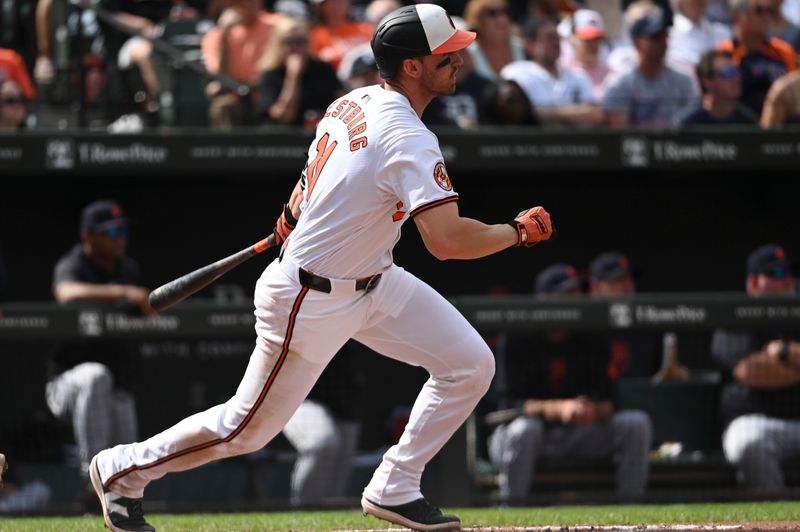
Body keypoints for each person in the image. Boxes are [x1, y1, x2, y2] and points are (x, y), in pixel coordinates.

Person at [88, 5, 554, 532]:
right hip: (311, 297)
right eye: (445, 53)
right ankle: (122, 469)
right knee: (245, 430)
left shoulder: (353, 100)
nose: (459, 58)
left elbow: (310, 182)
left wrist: (291, 216)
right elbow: (446, 242)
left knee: (471, 364)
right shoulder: (407, 136)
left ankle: (395, 485)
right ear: (412, 67)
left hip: (374, 280)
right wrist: (515, 233)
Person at [488, 263, 652, 502]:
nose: (574, 300)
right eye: (566, 295)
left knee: (636, 423)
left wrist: (591, 411)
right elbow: (508, 405)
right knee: (525, 429)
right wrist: (558, 408)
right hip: (529, 438)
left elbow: (610, 401)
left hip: (579, 433)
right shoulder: (517, 337)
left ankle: (633, 511)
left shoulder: (592, 337)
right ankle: (511, 510)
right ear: (544, 300)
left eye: (577, 294)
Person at [47, 200, 152, 503]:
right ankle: (90, 479)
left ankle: (115, 503)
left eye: (123, 230)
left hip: (116, 388)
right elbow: (66, 294)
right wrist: (121, 292)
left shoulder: (127, 268)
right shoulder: (76, 263)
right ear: (89, 236)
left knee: (127, 477)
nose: (120, 237)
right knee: (96, 376)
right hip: (65, 387)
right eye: (111, 231)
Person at [710, 244, 800, 491]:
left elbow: (764, 368)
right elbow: (751, 372)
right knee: (749, 442)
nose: (786, 281)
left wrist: (782, 352)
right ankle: (776, 522)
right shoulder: (735, 317)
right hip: (755, 421)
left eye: (789, 274)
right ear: (753, 283)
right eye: (776, 275)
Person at [282, 340, 364, 505]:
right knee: (322, 442)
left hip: (343, 401)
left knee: (338, 473)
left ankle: (328, 515)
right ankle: (303, 513)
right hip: (299, 398)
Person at [500, 17, 603, 127]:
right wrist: (575, 112)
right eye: (549, 38)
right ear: (529, 44)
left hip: (575, 142)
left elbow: (595, 114)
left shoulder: (578, 75)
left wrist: (544, 112)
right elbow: (516, 113)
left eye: (557, 38)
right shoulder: (516, 73)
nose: (555, 43)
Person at [602, 10, 698, 127]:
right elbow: (619, 133)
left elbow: (691, 128)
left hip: (674, 144)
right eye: (655, 37)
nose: (663, 42)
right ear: (637, 43)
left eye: (665, 35)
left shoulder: (683, 79)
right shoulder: (619, 82)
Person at [201, 0, 285, 128]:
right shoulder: (215, 36)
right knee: (223, 106)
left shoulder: (278, 25)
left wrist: (255, 84)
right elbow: (222, 78)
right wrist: (224, 36)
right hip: (237, 96)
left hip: (272, 91)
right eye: (241, 2)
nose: (250, 4)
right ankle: (228, 147)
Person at [254, 16, 344, 129]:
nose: (296, 47)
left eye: (301, 42)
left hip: (323, 131)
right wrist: (293, 76)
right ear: (278, 44)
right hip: (286, 138)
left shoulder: (322, 68)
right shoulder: (271, 74)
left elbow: (341, 102)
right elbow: (284, 116)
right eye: (290, 42)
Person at [717, 0, 796, 116]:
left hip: (781, 126)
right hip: (740, 125)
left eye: (770, 11)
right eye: (759, 11)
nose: (766, 16)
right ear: (737, 17)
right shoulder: (725, 54)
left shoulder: (783, 52)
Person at [675, 49, 760, 125]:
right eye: (728, 72)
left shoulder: (748, 122)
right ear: (707, 81)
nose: (737, 78)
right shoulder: (688, 124)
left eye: (737, 71)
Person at [462, 0, 526, 81]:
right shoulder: (468, 54)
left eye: (505, 12)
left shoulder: (522, 46)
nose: (502, 19)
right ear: (477, 20)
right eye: (492, 13)